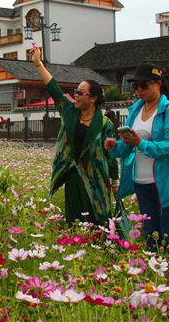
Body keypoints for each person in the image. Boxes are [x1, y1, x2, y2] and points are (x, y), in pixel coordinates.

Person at [104, 63, 169, 252]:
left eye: (143, 85)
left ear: (157, 84)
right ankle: (154, 278)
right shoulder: (135, 110)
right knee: (151, 234)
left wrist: (140, 143)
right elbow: (129, 143)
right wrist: (115, 146)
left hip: (168, 180)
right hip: (142, 180)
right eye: (135, 86)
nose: (138, 90)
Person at [30, 44, 118, 226]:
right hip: (72, 174)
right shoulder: (69, 112)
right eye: (75, 92)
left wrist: (115, 181)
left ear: (92, 98)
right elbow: (54, 88)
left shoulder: (105, 123)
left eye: (80, 93)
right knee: (75, 220)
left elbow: (111, 155)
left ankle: (102, 245)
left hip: (96, 177)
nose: (75, 95)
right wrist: (38, 63)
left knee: (99, 218)